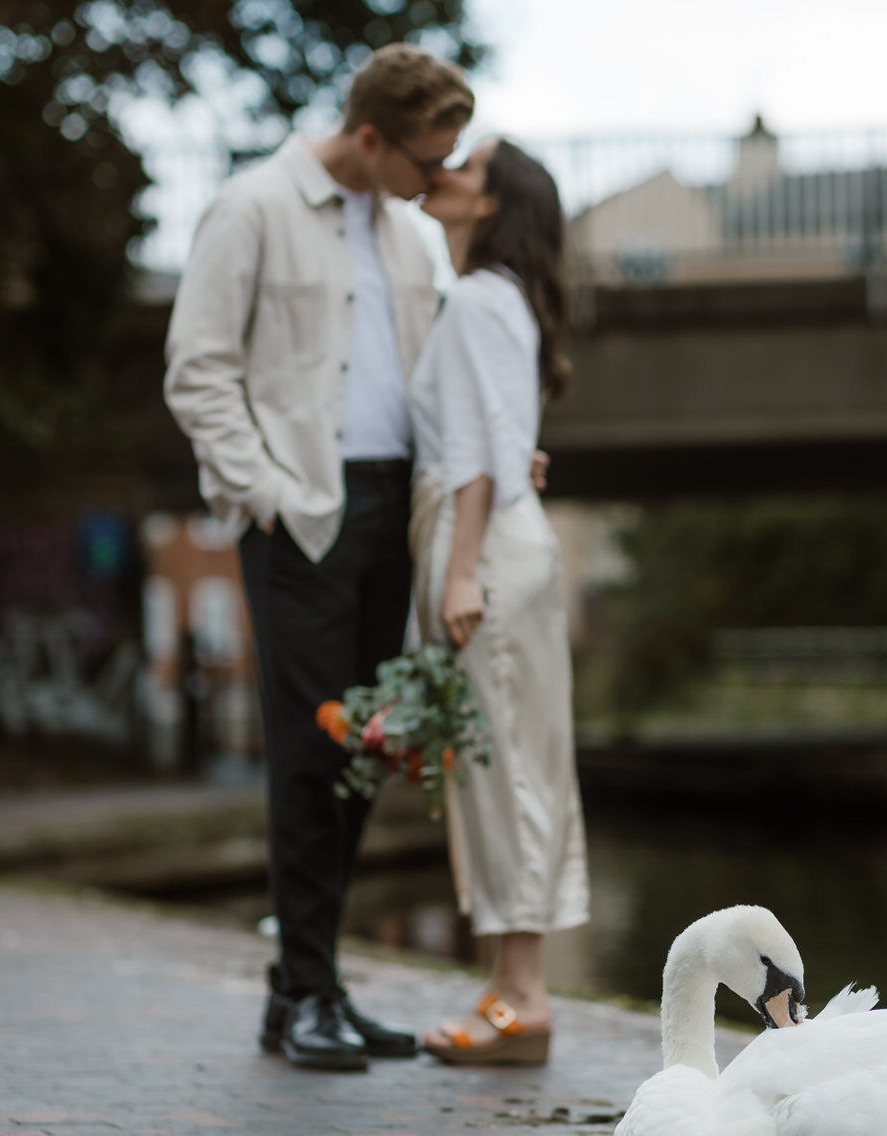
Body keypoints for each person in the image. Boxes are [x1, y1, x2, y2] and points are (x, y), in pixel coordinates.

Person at [162, 44, 472, 1071]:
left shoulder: (407, 236)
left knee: (363, 749)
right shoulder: (251, 207)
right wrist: (267, 497)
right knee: (308, 750)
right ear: (371, 137)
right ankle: (308, 992)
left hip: (394, 507)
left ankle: (308, 985)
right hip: (302, 513)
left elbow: (430, 373)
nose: (437, 182)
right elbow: (197, 370)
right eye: (426, 162)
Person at [407, 138, 588, 1065]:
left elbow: (477, 451)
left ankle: (524, 1000)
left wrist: (460, 568)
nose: (440, 169)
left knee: (508, 768)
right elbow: (501, 441)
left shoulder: (480, 301)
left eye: (465, 167)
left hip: (486, 547)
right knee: (503, 764)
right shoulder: (498, 302)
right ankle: (507, 986)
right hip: (500, 536)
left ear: (492, 205)